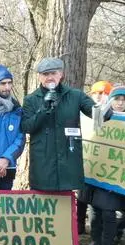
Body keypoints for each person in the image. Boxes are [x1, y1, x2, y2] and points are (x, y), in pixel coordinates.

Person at [21, 57, 105, 191]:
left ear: (61, 74)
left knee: (66, 208)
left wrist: (108, 109)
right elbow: (26, 127)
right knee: (44, 209)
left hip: (68, 165)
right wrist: (44, 108)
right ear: (39, 77)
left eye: (53, 73)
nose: (49, 77)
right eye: (45, 74)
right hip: (43, 167)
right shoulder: (30, 100)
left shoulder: (75, 95)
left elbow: (96, 112)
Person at [80, 86, 125, 245]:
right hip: (95, 172)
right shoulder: (99, 116)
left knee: (109, 213)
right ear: (111, 100)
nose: (120, 102)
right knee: (94, 210)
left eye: (124, 99)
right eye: (117, 99)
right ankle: (95, 240)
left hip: (116, 176)